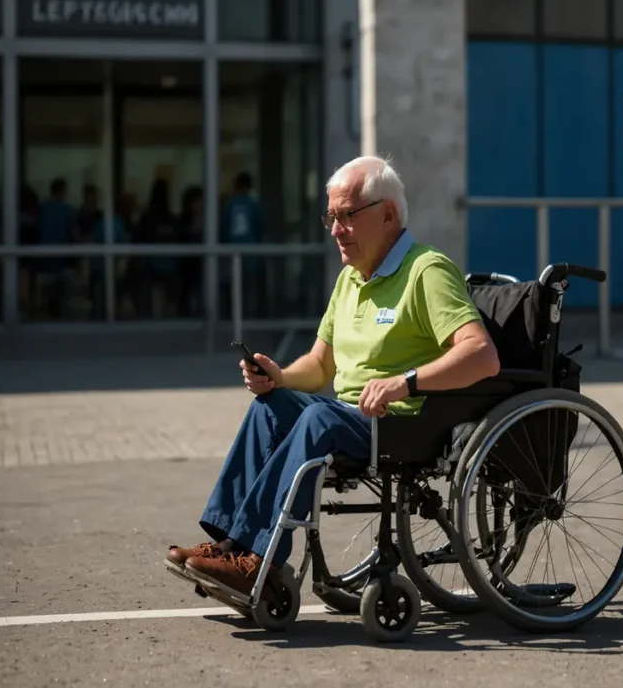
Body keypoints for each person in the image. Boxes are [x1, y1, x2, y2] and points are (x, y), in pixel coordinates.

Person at [166, 156, 500, 601]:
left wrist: (405, 382)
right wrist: (279, 375)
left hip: (404, 423)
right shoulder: (350, 280)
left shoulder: (427, 270)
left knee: (317, 419)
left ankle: (258, 561)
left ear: (387, 215)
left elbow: (481, 356)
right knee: (271, 405)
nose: (337, 229)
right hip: (349, 414)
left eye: (347, 216)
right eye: (332, 217)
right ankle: (230, 545)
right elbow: (321, 367)